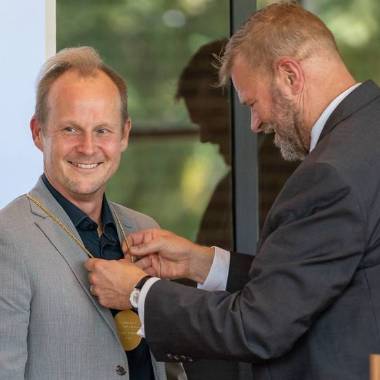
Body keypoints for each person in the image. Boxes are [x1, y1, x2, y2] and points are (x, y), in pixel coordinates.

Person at [85, 3, 380, 380]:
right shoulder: (369, 134)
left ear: (289, 76)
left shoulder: (329, 174)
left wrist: (139, 292)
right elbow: (310, 281)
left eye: (253, 104)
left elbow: (258, 325)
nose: (255, 124)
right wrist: (204, 264)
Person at [0, 46, 185, 380]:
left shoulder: (144, 230)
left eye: (102, 130)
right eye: (71, 129)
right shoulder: (8, 237)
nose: (88, 147)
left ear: (124, 134)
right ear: (38, 132)